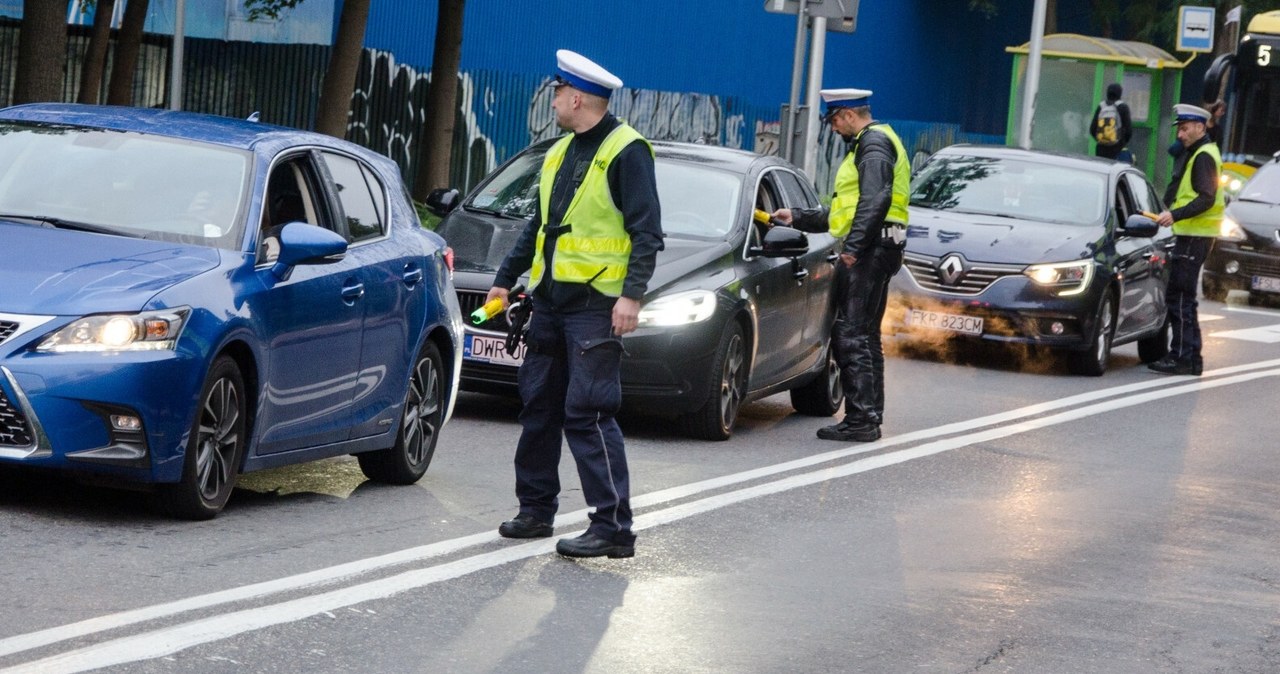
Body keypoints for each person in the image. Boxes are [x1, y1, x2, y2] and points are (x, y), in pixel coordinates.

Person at [486, 49, 663, 558]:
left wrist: (632, 296)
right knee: (539, 407)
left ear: (578, 97)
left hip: (595, 306)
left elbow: (646, 232)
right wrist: (505, 279)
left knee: (587, 413)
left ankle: (612, 528)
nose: (555, 99)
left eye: (558, 91)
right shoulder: (561, 150)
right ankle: (535, 510)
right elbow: (539, 226)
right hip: (550, 302)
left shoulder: (628, 151)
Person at [770, 88, 909, 442]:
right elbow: (847, 212)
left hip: (870, 249)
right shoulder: (878, 141)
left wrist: (855, 248)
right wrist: (798, 217)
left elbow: (875, 199)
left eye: (833, 120)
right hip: (883, 245)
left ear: (847, 114)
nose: (832, 128)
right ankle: (870, 414)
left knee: (849, 333)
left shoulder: (873, 144)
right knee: (865, 334)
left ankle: (861, 419)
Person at [1149, 103, 1224, 377]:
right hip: (1194, 235)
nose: (1180, 134)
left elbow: (1206, 198)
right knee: (1184, 296)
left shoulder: (1203, 156)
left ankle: (1182, 356)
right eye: (1179, 129)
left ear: (1200, 127)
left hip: (1194, 235)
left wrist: (1174, 215)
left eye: (1184, 129)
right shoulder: (1199, 152)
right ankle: (1190, 357)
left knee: (1179, 296)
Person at [1090, 83, 1133, 161]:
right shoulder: (1123, 107)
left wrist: (1102, 140)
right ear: (1120, 93)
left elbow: (1092, 129)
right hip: (1117, 148)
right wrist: (1122, 142)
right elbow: (1128, 131)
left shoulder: (1101, 106)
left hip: (1101, 149)